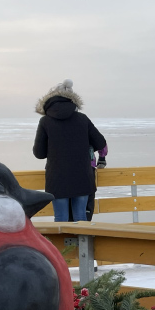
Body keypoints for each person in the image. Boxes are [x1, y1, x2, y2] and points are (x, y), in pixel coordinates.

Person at [33, 79, 107, 222]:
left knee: (61, 218)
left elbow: (39, 154)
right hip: (82, 178)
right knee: (80, 217)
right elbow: (101, 143)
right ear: (73, 100)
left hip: (57, 179)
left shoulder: (45, 121)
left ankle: (62, 245)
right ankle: (82, 245)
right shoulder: (82, 119)